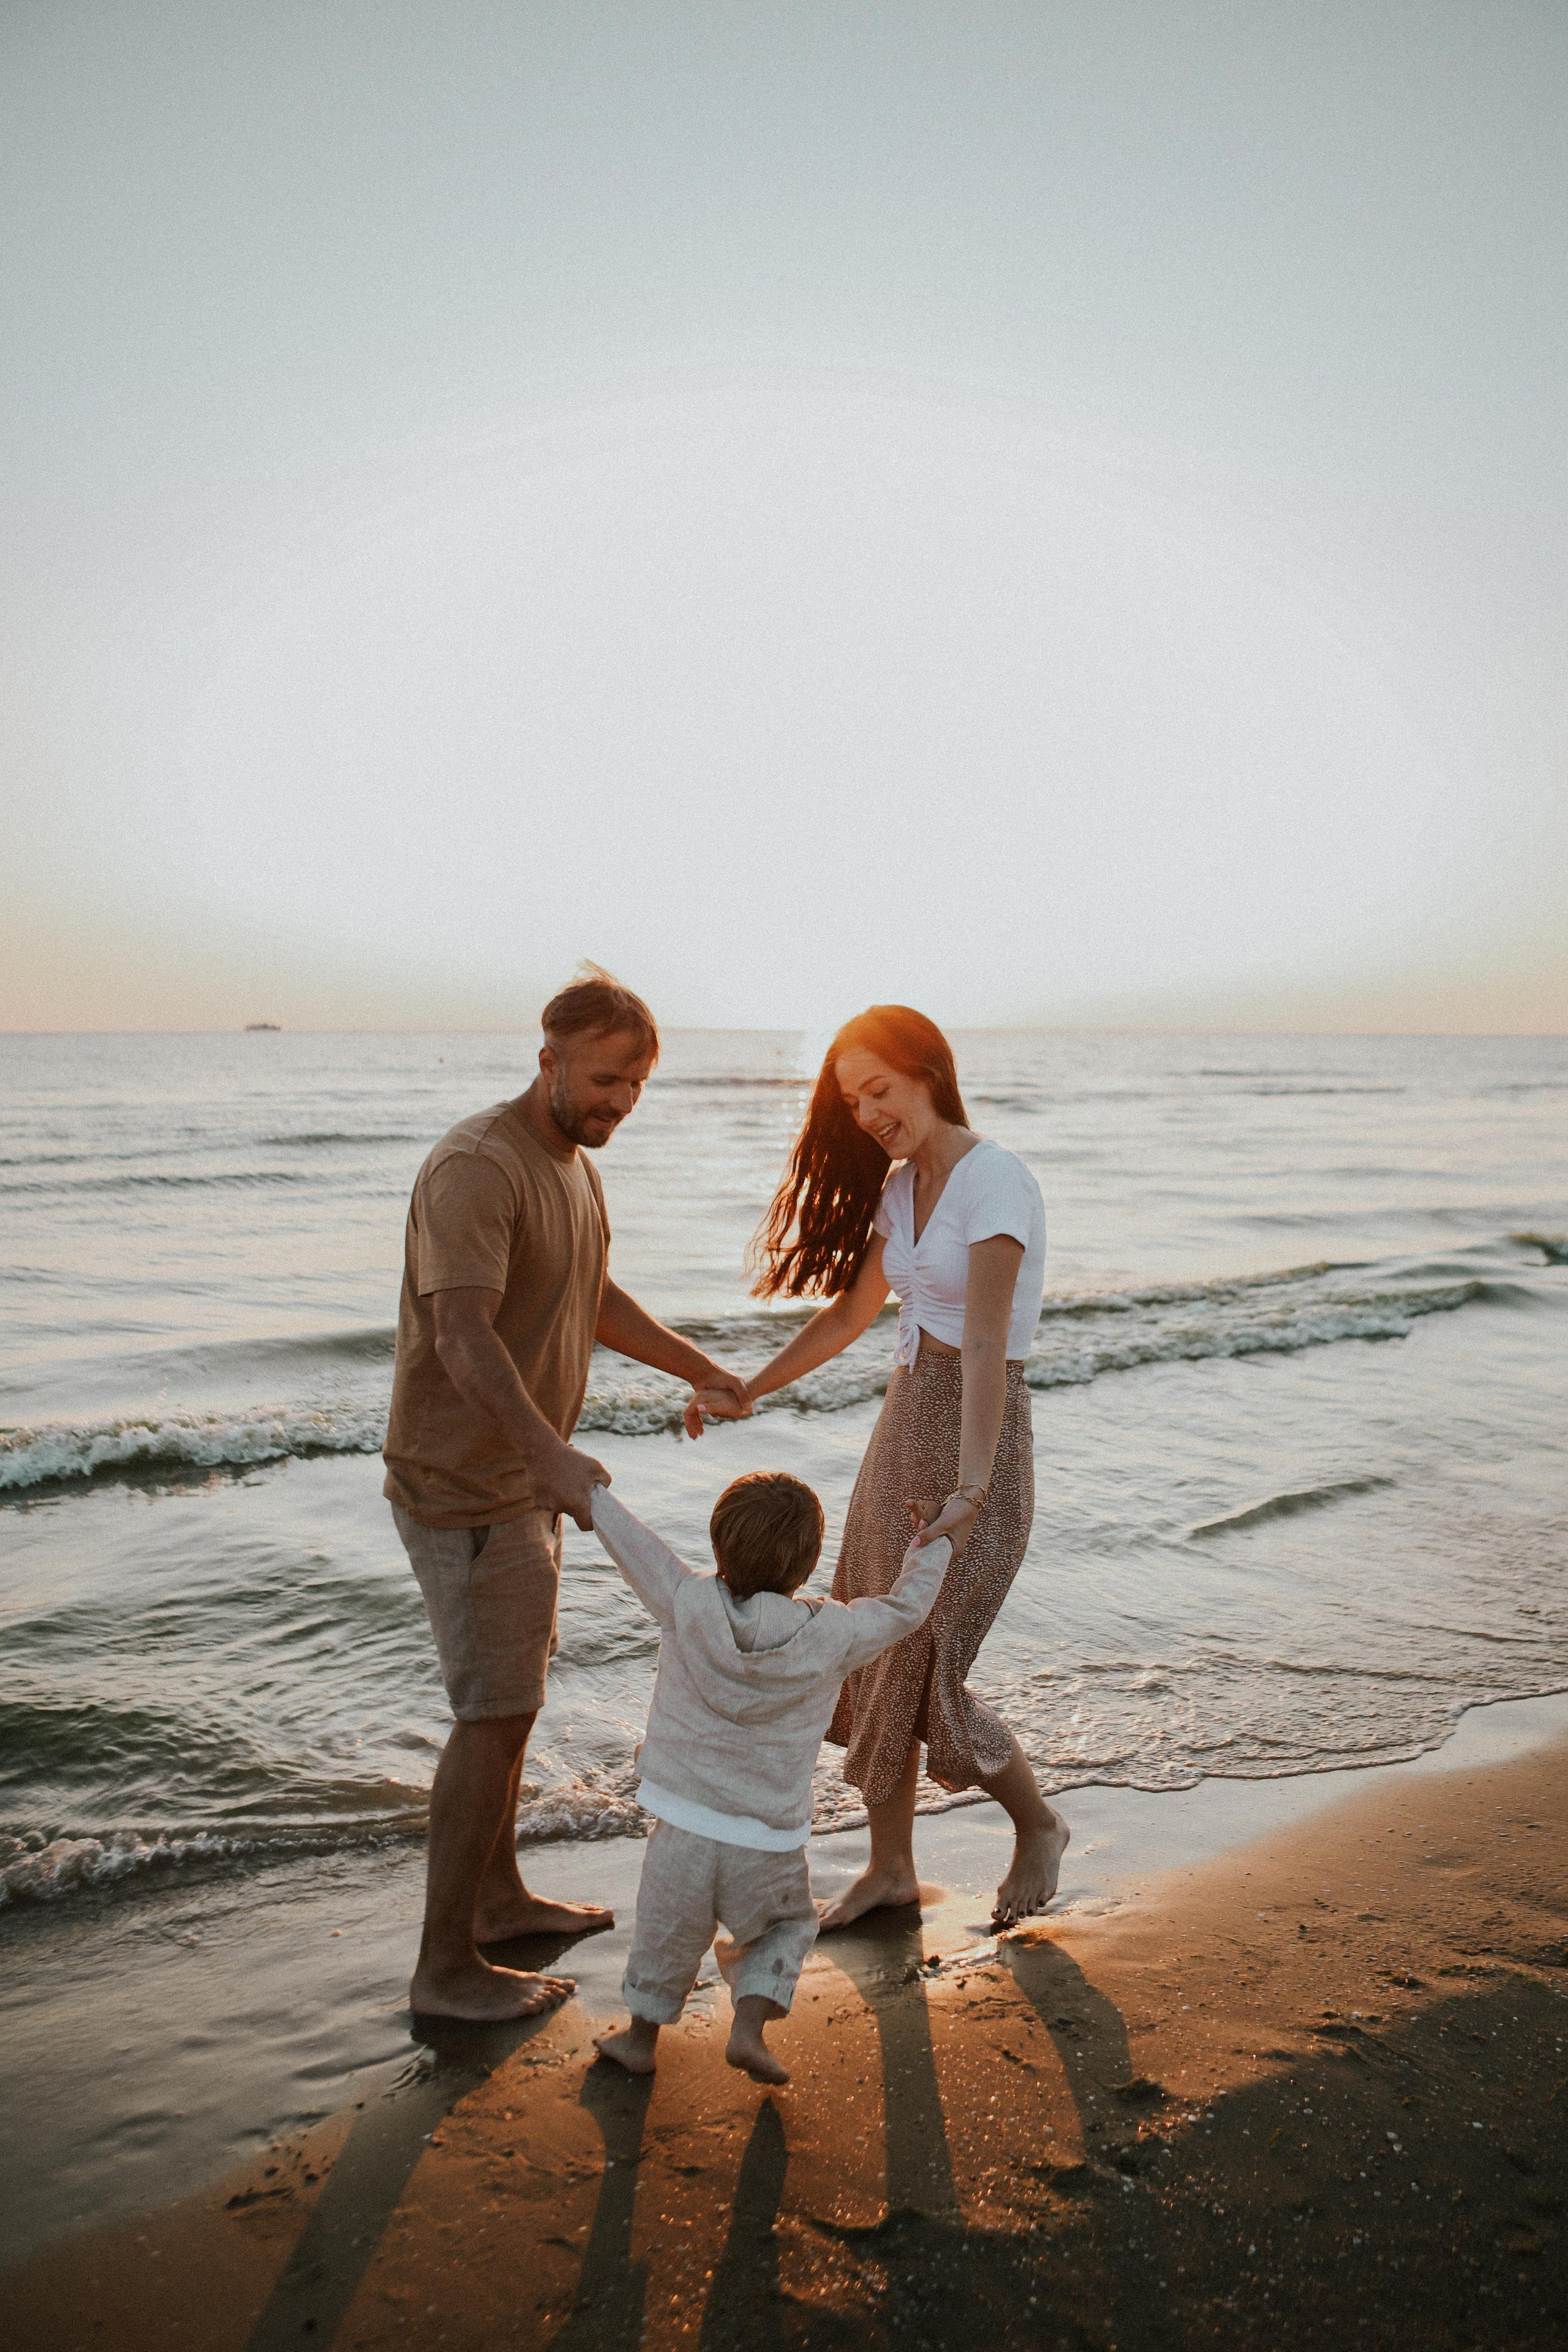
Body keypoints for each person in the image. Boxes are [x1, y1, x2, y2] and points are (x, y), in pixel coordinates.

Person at [383, 968, 752, 2024]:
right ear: (547, 1060)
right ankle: (444, 1970)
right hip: (469, 1483)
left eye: (636, 1084)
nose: (620, 1102)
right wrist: (547, 1454)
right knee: (492, 1715)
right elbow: (462, 1333)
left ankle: (498, 1903)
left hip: (524, 1479)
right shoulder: (477, 1166)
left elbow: (590, 1295)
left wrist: (696, 1366)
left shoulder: (574, 1167)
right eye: (603, 1080)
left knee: (514, 1702)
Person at [688, 1004, 1069, 1930]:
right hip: (902, 1428)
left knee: (926, 1659)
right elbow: (851, 1315)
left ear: (928, 1073)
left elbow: (985, 1346)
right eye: (852, 1101)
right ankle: (890, 1868)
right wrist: (750, 1388)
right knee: (870, 1650)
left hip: (973, 1434)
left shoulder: (995, 1181)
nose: (866, 1115)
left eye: (880, 1091)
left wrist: (972, 1488)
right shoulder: (902, 1190)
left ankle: (1039, 1823)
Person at [587, 1470, 949, 2083]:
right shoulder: (833, 1633)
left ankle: (640, 2041)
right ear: (809, 1564)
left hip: (683, 1829)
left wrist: (590, 1494)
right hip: (768, 1840)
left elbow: (633, 1544)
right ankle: (748, 2031)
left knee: (664, 1938)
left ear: (718, 1546)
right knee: (784, 1929)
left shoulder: (684, 1601)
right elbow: (904, 1611)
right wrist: (932, 1542)